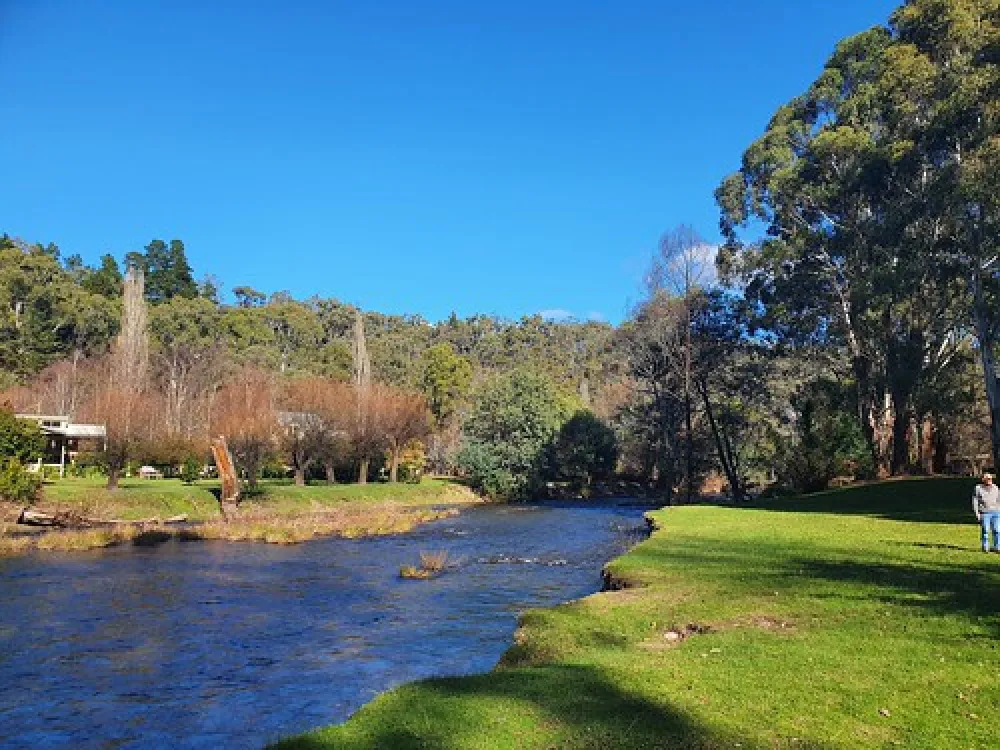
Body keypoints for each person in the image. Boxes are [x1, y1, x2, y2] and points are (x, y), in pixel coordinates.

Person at [973, 472, 1000, 553]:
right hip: (985, 513)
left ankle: (997, 547)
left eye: (991, 479)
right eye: (988, 479)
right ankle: (985, 547)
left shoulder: (996, 488)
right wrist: (977, 513)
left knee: (997, 530)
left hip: (996, 512)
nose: (990, 480)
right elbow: (975, 501)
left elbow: (999, 500)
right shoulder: (978, 488)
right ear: (983, 479)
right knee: (985, 530)